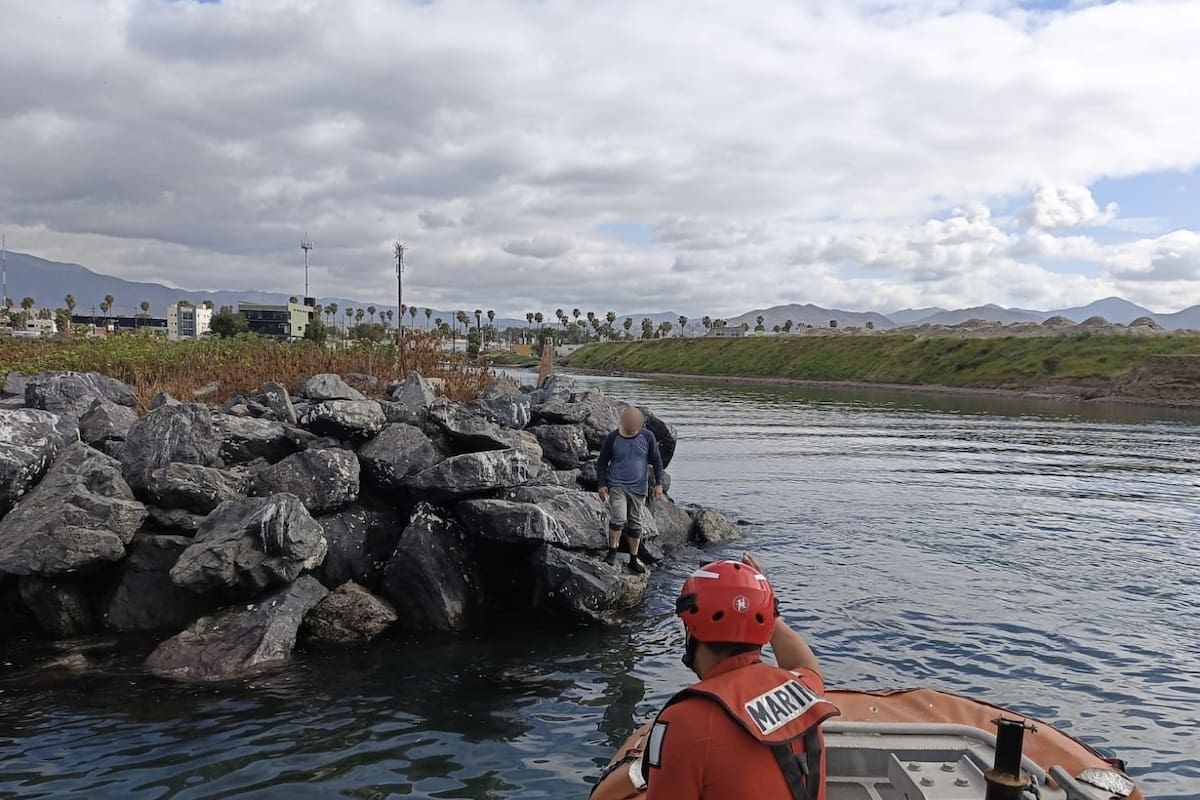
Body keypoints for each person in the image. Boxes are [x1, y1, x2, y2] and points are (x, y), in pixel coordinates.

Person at [640, 553, 839, 800]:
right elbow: (806, 666)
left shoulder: (684, 722)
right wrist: (764, 607)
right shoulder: (802, 690)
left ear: (691, 631)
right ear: (765, 626)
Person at [595, 407, 665, 574]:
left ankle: (634, 558)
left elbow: (657, 461)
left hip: (639, 489)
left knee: (635, 523)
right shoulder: (613, 438)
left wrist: (658, 484)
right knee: (618, 517)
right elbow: (602, 462)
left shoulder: (647, 437)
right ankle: (612, 552)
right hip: (617, 485)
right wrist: (601, 484)